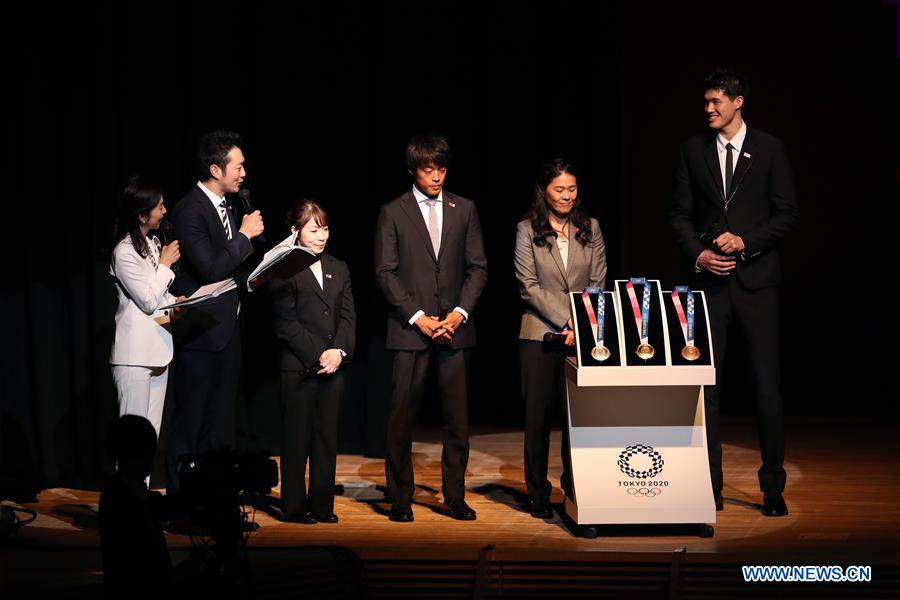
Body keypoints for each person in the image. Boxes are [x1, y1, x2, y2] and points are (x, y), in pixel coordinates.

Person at [670, 68, 799, 517]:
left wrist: (746, 241)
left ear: (738, 102)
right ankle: (711, 486)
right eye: (705, 102)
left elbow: (787, 214)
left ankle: (772, 488)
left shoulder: (770, 149)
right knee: (710, 389)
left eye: (716, 102)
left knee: (767, 387)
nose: (708, 109)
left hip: (758, 283)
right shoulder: (692, 150)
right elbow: (680, 215)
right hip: (710, 286)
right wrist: (698, 256)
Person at [374, 133, 488, 522]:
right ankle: (400, 496)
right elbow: (385, 272)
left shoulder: (464, 208)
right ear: (413, 170)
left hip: (455, 331)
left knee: (456, 421)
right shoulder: (393, 211)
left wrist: (459, 313)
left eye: (441, 168)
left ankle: (454, 496)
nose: (436, 176)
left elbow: (478, 267)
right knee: (401, 419)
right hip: (410, 331)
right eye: (428, 169)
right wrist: (418, 317)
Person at [167, 130, 265, 493]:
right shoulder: (189, 210)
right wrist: (244, 235)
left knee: (220, 420)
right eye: (237, 167)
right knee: (191, 419)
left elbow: (232, 268)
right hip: (200, 332)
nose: (243, 173)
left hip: (229, 327)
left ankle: (213, 499)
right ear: (215, 169)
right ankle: (181, 500)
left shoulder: (232, 205)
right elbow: (209, 267)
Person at [514, 159, 607, 519]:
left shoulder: (591, 228)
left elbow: (598, 279)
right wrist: (566, 319)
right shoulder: (527, 230)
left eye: (572, 189)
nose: (567, 196)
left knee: (576, 419)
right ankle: (538, 492)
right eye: (559, 189)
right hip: (539, 334)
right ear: (544, 191)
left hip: (582, 337)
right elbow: (528, 286)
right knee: (537, 419)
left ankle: (575, 488)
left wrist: (580, 324)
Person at [269, 200, 356, 524]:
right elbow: (285, 322)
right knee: (296, 439)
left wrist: (339, 352)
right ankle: (293, 506)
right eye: (313, 229)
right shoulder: (283, 268)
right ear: (295, 231)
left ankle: (322, 504)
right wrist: (318, 353)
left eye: (325, 229)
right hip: (299, 366)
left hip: (334, 365)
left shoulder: (339, 266)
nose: (322, 236)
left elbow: (348, 316)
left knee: (326, 438)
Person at [110, 176, 183, 438]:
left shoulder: (152, 243)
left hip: (158, 352)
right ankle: (128, 482)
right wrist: (165, 264)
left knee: (149, 439)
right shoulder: (124, 252)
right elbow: (147, 301)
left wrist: (176, 303)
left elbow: (158, 295)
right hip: (134, 357)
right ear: (142, 216)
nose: (165, 211)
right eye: (159, 207)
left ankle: (145, 481)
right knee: (131, 440)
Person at [99, 414, 173, 596]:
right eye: (149, 452)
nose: (153, 459)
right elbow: (142, 568)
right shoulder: (121, 498)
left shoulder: (127, 491)